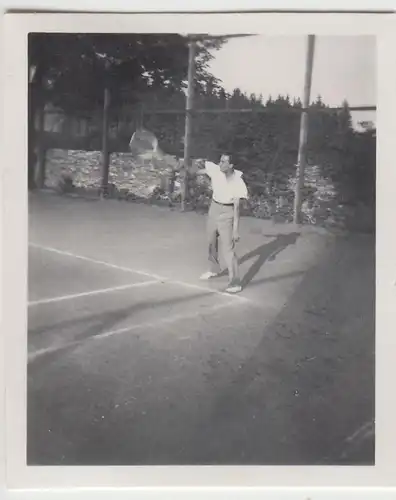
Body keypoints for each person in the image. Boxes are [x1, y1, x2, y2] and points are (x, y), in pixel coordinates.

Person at [193, 154, 248, 294]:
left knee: (228, 249)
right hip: (214, 208)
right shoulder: (215, 169)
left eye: (224, 161)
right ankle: (214, 269)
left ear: (231, 165)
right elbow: (196, 170)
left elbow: (237, 209)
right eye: (220, 160)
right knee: (211, 241)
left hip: (227, 212)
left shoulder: (238, 182)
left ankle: (235, 281)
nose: (220, 163)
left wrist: (235, 230)